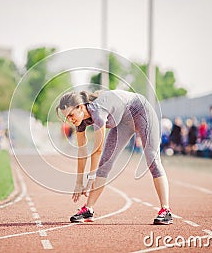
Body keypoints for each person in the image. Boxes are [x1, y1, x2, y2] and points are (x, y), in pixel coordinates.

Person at [56, 90, 172, 225]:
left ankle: (166, 210)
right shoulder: (80, 122)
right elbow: (82, 152)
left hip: (141, 111)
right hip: (122, 121)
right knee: (105, 163)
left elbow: (97, 149)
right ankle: (88, 209)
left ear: (81, 107)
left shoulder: (98, 113)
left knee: (152, 159)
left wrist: (91, 177)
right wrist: (79, 182)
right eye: (67, 118)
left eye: (71, 115)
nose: (70, 120)